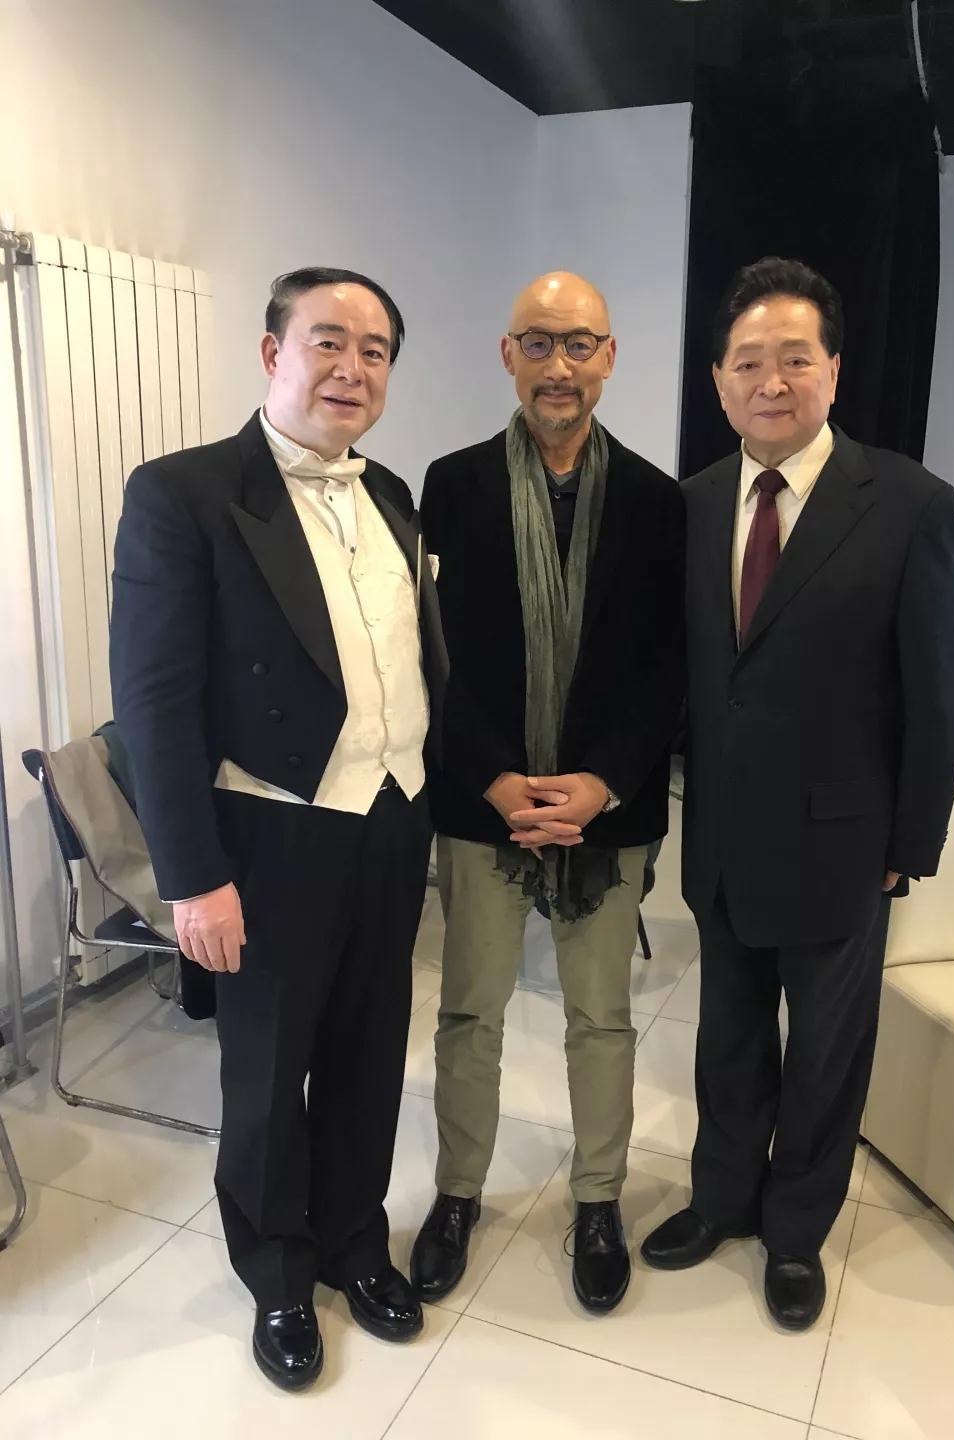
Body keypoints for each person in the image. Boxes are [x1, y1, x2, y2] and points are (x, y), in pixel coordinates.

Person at [111, 267, 445, 1389]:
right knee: (267, 1070)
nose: (353, 368)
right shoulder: (184, 494)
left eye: (376, 351)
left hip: (392, 820)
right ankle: (278, 1270)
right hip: (267, 836)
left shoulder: (390, 491)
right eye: (327, 341)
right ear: (272, 353)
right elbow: (154, 701)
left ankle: (354, 1242)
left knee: (369, 1049)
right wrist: (191, 877)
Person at [642, 256, 954, 1331]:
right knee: (728, 1037)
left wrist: (911, 845)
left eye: (794, 359)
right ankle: (721, 1200)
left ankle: (793, 1233)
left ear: (833, 369)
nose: (770, 382)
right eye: (748, 363)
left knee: (827, 1056)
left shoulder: (909, 504)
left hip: (845, 844)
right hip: (723, 841)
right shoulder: (691, 506)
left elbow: (935, 693)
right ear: (718, 380)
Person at [410, 272, 684, 1315]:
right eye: (537, 342)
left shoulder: (657, 501)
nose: (558, 366)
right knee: (469, 1010)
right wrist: (494, 778)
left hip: (604, 811)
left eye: (578, 344)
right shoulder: (451, 485)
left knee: (600, 1018)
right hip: (483, 799)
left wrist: (601, 784)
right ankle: (457, 1194)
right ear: (507, 355)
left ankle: (599, 1201)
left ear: (609, 356)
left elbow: (668, 668)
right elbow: (431, 657)